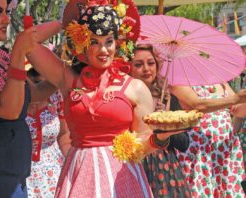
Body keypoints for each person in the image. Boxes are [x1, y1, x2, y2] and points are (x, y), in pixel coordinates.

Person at [24, 0, 190, 197]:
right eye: (94, 42)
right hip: (79, 174)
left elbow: (141, 147)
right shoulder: (68, 78)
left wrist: (160, 139)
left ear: (117, 43)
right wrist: (66, 22)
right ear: (83, 43)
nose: (103, 50)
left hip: (121, 177)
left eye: (108, 41)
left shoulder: (135, 88)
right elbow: (27, 42)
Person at [0, 0, 60, 197]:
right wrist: (18, 52)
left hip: (13, 175)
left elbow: (30, 94)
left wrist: (65, 75)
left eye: (7, 11)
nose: (7, 19)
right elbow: (9, 110)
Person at [130, 43, 191, 197]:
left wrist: (164, 127)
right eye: (138, 64)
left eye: (151, 63)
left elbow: (184, 143)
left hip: (164, 170)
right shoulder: (124, 98)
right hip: (133, 164)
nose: (146, 68)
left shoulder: (168, 97)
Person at [171, 82, 246, 196]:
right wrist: (236, 98)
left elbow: (237, 110)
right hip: (198, 151)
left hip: (224, 150)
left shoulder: (219, 80)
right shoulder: (180, 79)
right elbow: (198, 105)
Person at [26, 68, 71, 197]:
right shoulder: (12, 100)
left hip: (55, 173)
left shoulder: (55, 96)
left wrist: (72, 164)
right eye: (36, 83)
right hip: (22, 174)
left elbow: (64, 135)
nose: (40, 91)